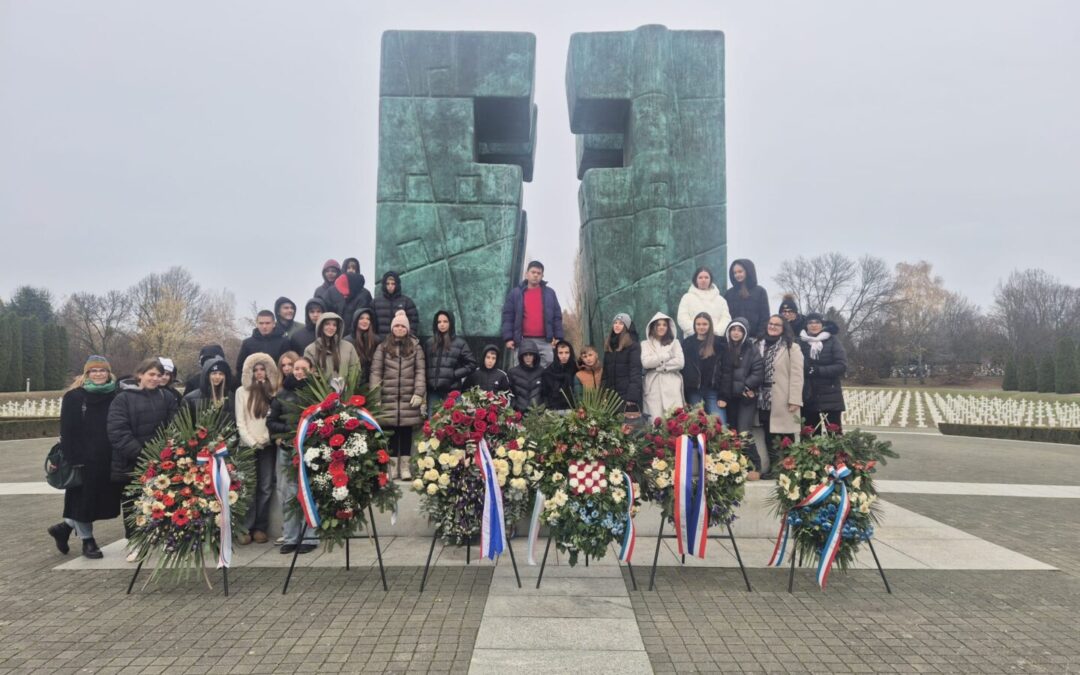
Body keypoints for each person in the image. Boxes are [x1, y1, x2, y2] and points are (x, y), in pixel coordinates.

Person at [46, 356, 120, 559]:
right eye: (93, 370)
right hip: (83, 459)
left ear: (108, 373)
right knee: (82, 501)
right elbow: (67, 431)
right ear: (86, 374)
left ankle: (63, 528)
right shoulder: (75, 397)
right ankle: (88, 541)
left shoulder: (115, 394)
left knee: (98, 501)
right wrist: (74, 458)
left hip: (107, 457)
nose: (98, 374)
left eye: (102, 370)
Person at [107, 358, 178, 560]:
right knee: (133, 504)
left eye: (159, 375)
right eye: (151, 374)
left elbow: (174, 425)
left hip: (161, 461)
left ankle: (164, 539)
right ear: (140, 375)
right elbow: (118, 431)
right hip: (131, 462)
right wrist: (143, 454)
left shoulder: (166, 397)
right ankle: (135, 543)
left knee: (162, 502)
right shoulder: (123, 398)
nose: (155, 379)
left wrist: (166, 451)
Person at [266, 356, 319, 555]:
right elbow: (271, 422)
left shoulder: (317, 393)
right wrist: (286, 431)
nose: (298, 372)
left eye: (303, 369)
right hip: (287, 450)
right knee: (288, 494)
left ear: (312, 371)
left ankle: (310, 536)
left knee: (308, 493)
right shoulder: (282, 394)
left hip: (309, 451)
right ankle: (290, 537)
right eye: (296, 368)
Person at [370, 314, 425, 480]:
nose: (400, 329)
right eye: (397, 326)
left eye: (403, 326)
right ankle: (392, 467)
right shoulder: (383, 347)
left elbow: (420, 371)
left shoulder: (416, 347)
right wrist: (376, 396)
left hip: (409, 398)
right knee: (392, 433)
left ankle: (405, 467)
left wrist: (419, 392)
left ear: (407, 329)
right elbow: (376, 372)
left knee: (406, 433)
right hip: (389, 397)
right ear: (392, 328)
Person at [235, 353, 280, 545]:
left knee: (265, 486)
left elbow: (275, 419)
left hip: (267, 445)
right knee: (248, 487)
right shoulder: (241, 392)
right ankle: (245, 527)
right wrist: (252, 441)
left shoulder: (273, 392)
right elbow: (240, 422)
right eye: (256, 370)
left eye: (262, 369)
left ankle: (260, 527)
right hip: (248, 446)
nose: (259, 373)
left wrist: (265, 438)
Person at [758, 315, 804, 478]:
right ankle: (774, 469)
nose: (773, 327)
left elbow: (797, 375)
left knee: (786, 435)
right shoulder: (759, 344)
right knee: (769, 434)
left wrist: (795, 399)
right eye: (770, 323)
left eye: (777, 325)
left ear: (784, 328)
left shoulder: (792, 347)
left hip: (783, 398)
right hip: (763, 398)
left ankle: (788, 468)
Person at [717, 318, 764, 473]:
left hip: (745, 397)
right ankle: (736, 466)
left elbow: (758, 371)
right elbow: (720, 373)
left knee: (744, 431)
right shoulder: (724, 348)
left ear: (744, 333)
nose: (736, 333)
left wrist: (747, 386)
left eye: (739, 330)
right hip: (729, 398)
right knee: (732, 431)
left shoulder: (751, 349)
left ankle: (755, 466)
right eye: (733, 329)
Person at [500, 260, 564, 367]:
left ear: (542, 275)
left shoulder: (550, 293)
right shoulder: (516, 293)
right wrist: (508, 338)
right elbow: (508, 316)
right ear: (527, 274)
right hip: (523, 341)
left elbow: (557, 316)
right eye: (533, 272)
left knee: (547, 370)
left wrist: (558, 337)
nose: (535, 275)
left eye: (539, 273)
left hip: (545, 341)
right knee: (521, 371)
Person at [799, 313, 848, 434]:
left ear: (822, 325)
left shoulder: (832, 341)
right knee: (810, 437)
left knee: (835, 436)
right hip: (808, 395)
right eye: (810, 322)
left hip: (830, 395)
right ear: (806, 325)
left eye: (817, 322)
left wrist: (818, 370)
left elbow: (841, 366)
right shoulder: (800, 342)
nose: (814, 325)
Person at [424, 310, 477, 415]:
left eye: (445, 321)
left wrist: (454, 374)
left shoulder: (460, 343)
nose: (442, 324)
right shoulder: (429, 343)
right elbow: (424, 364)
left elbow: (472, 364)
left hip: (451, 392)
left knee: (452, 426)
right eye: (439, 322)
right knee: (433, 426)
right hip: (433, 393)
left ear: (451, 323)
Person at [641, 312, 685, 421]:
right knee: (654, 422)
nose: (661, 327)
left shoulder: (675, 343)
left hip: (672, 385)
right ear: (653, 327)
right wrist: (666, 356)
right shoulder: (645, 344)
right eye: (658, 325)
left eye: (664, 325)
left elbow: (680, 362)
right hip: (652, 387)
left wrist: (661, 367)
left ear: (668, 327)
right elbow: (646, 362)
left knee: (674, 422)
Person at [681, 312, 725, 420]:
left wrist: (723, 395)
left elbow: (725, 370)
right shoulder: (687, 343)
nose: (701, 327)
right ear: (694, 325)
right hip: (694, 391)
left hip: (713, 391)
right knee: (696, 424)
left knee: (720, 423)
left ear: (710, 325)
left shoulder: (719, 343)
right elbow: (683, 369)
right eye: (698, 324)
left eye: (704, 324)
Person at [601, 313, 643, 416]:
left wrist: (632, 397)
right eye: (615, 323)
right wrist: (602, 395)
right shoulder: (609, 347)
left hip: (626, 398)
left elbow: (635, 372)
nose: (617, 325)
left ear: (626, 327)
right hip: (611, 399)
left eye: (621, 323)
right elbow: (605, 375)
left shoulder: (633, 346)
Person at [676, 267, 732, 338]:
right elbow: (682, 318)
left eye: (706, 277)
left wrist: (715, 333)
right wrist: (698, 333)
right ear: (695, 280)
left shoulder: (721, 300)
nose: (703, 280)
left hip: (715, 340)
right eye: (700, 277)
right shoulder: (687, 298)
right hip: (693, 340)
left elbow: (726, 319)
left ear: (710, 280)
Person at [303, 313, 359, 381]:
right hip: (322, 390)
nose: (331, 327)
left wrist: (349, 387)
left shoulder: (348, 347)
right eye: (327, 324)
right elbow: (309, 374)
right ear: (321, 326)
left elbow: (355, 369)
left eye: (334, 325)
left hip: (346, 390)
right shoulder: (310, 350)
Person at [723, 259, 771, 339]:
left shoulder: (760, 292)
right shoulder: (729, 294)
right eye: (735, 273)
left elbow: (764, 317)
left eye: (740, 271)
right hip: (734, 338)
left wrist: (760, 336)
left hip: (754, 338)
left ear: (748, 271)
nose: (737, 275)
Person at [236, 310, 290, 377]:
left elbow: (288, 365)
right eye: (261, 323)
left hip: (278, 382)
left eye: (267, 323)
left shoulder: (284, 342)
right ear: (257, 324)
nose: (264, 326)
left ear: (274, 324)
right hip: (255, 384)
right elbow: (240, 367)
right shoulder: (247, 343)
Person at [182, 356, 234, 422]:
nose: (217, 377)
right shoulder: (190, 399)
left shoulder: (231, 398)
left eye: (221, 374)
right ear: (207, 375)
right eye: (214, 373)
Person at [373, 271, 420, 338]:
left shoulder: (407, 302)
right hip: (381, 343)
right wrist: (376, 339)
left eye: (393, 284)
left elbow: (413, 323)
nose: (390, 286)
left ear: (397, 285)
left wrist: (407, 339)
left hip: (401, 343)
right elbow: (372, 324)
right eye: (387, 284)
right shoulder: (375, 302)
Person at [345, 308, 381, 385]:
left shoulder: (376, 340)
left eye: (368, 319)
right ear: (356, 321)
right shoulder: (348, 341)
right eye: (361, 318)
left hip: (371, 384)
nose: (365, 321)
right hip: (353, 384)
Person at [507, 340, 544, 412]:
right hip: (518, 414)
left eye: (530, 354)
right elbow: (509, 394)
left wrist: (542, 408)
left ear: (535, 356)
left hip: (537, 415)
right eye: (525, 354)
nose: (528, 357)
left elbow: (545, 394)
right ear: (521, 356)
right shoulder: (512, 373)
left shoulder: (542, 372)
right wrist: (514, 407)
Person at [541, 340, 579, 410]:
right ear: (556, 354)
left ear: (571, 353)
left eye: (567, 353)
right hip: (554, 410)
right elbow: (545, 394)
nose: (564, 356)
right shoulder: (548, 372)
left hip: (572, 409)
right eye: (560, 353)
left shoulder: (575, 369)